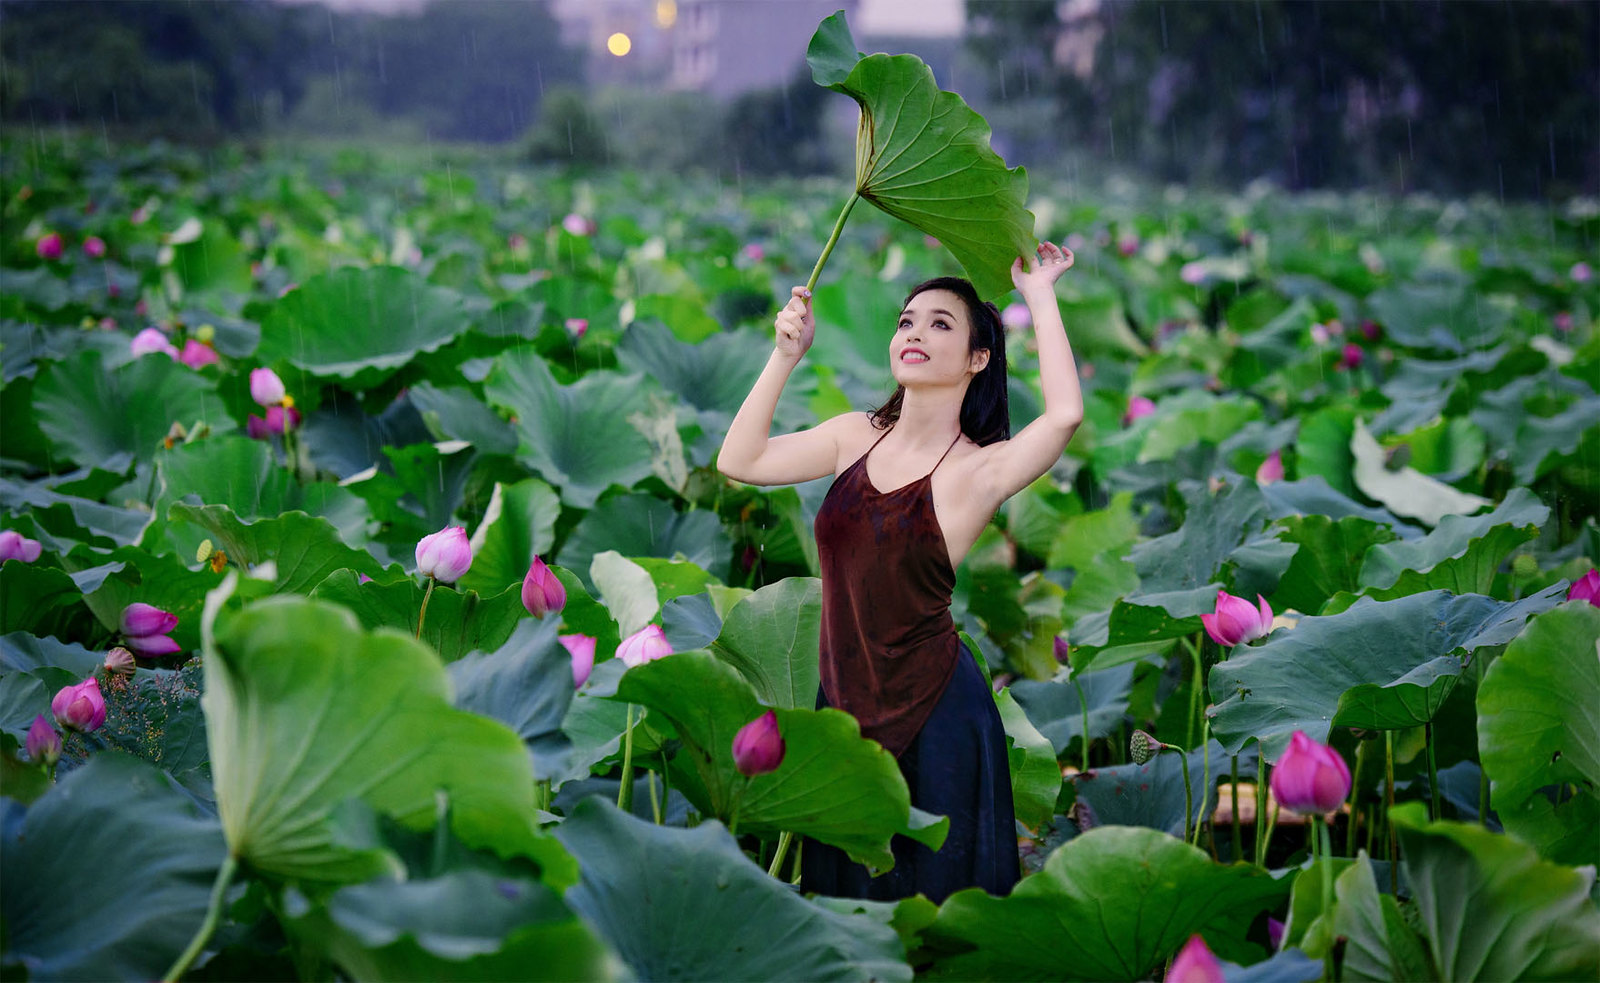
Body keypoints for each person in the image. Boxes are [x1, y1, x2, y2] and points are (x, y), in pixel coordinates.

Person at [717, 242, 1082, 902]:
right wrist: (783, 356)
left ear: (978, 358)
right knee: (848, 914)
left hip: (937, 714)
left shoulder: (978, 470)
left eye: (941, 323)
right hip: (845, 706)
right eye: (906, 320)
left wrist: (1040, 294)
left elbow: (1064, 416)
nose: (914, 332)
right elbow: (740, 458)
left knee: (936, 921)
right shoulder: (853, 435)